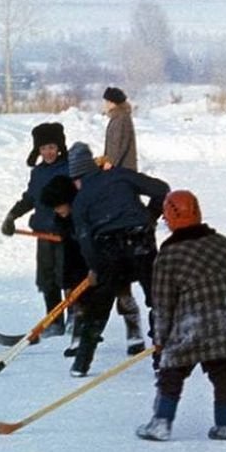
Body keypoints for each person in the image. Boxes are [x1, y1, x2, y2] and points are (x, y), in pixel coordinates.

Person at [136, 190, 226, 442]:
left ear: (168, 218)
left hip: (189, 325)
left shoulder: (168, 256)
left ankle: (161, 423)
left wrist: (161, 340)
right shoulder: (223, 244)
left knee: (171, 372)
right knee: (222, 372)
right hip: (224, 319)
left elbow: (163, 303)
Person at [65, 141, 170, 377]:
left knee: (99, 307)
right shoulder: (121, 176)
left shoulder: (81, 199)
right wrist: (150, 216)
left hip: (108, 250)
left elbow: (85, 239)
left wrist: (95, 268)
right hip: (141, 240)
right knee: (157, 300)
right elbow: (162, 189)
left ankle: (81, 364)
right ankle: (162, 359)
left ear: (78, 175)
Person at [0, 122, 70, 337]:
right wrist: (12, 215)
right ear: (37, 150)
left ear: (59, 147)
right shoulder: (38, 173)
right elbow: (31, 198)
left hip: (67, 234)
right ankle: (54, 320)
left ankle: (76, 319)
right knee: (48, 280)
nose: (48, 152)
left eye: (51, 147)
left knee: (69, 277)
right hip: (43, 233)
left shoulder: (70, 168)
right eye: (43, 148)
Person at [102, 85, 143, 355]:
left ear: (112, 102)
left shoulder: (119, 120)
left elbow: (116, 150)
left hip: (120, 176)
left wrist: (107, 165)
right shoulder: (121, 118)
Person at [39, 174, 88, 356]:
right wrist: (68, 283)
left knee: (113, 300)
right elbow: (70, 254)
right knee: (80, 304)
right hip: (80, 262)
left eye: (59, 205)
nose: (57, 210)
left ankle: (135, 335)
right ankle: (78, 342)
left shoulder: (85, 215)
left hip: (101, 261)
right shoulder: (63, 221)